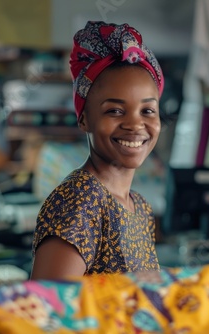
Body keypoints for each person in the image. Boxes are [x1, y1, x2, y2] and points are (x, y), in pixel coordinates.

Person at [31, 21, 165, 280]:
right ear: (84, 120)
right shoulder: (78, 203)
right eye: (114, 110)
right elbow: (52, 310)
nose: (135, 124)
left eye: (147, 110)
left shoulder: (140, 208)